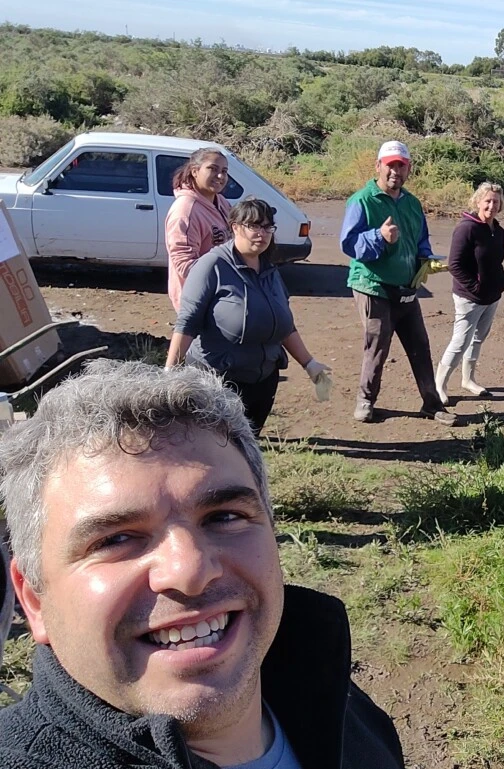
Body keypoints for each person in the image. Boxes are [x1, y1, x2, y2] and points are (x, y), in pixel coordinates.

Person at [0, 360, 404, 768]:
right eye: (115, 539)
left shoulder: (333, 698)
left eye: (224, 516)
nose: (189, 570)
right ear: (34, 600)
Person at [165, 198, 329, 435]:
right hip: (218, 381)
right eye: (254, 225)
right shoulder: (212, 265)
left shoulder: (269, 269)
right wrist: (170, 373)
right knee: (218, 447)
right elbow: (187, 322)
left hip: (263, 380)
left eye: (267, 227)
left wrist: (309, 364)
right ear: (234, 227)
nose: (262, 233)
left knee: (249, 445)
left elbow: (285, 325)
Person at [340, 140, 456, 426]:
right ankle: (365, 401)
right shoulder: (362, 201)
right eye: (390, 165)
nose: (395, 171)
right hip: (372, 285)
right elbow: (349, 244)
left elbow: (420, 239)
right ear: (378, 166)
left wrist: (426, 260)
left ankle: (432, 404)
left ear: (408, 169)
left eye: (401, 166)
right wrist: (378, 237)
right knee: (378, 344)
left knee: (419, 344)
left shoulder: (412, 204)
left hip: (406, 287)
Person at [434, 182, 504, 404]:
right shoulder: (466, 228)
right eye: (487, 201)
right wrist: (475, 288)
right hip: (469, 298)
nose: (491, 206)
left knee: (478, 339)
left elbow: (495, 261)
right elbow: (455, 265)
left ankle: (468, 380)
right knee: (460, 341)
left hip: (492, 296)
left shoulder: (498, 231)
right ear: (478, 202)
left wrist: (501, 281)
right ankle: (439, 385)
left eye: (495, 202)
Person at [165, 148, 233, 311]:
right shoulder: (185, 211)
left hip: (222, 295)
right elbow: (185, 265)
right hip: (200, 301)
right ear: (195, 171)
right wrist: (224, 278)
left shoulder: (221, 201)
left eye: (224, 171)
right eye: (213, 169)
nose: (220, 176)